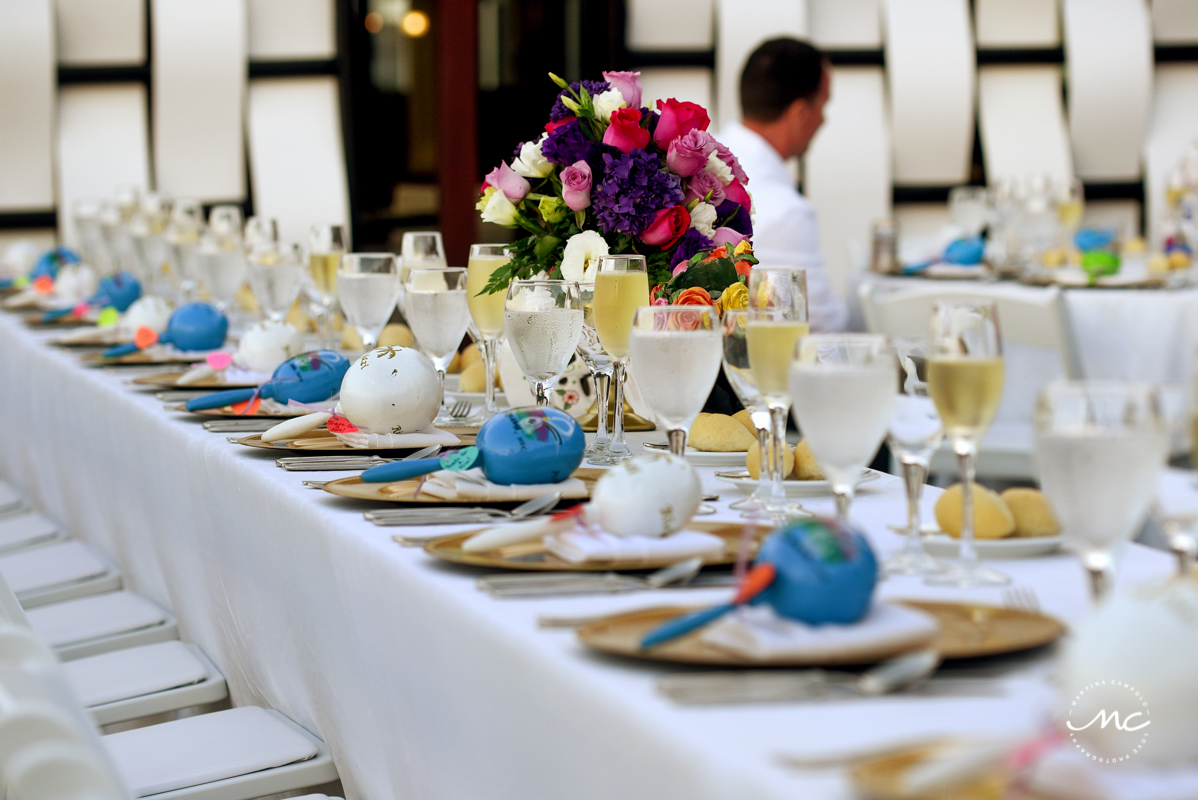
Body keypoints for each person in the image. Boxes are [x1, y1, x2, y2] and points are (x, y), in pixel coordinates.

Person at [719, 38, 849, 332]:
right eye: (822, 105)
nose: (823, 119)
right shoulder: (786, 212)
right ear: (801, 114)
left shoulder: (700, 164)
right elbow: (822, 327)